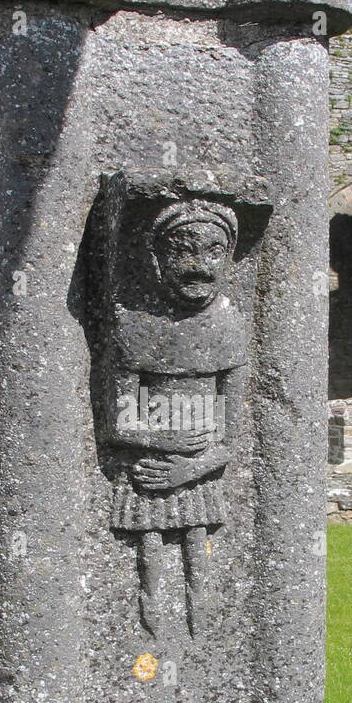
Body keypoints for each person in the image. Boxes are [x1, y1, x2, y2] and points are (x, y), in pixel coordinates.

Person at [108, 198, 247, 637]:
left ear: (228, 258)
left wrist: (190, 469)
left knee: (197, 552)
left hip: (195, 472)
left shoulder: (229, 326)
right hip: (149, 469)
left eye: (212, 252)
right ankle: (154, 637)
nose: (198, 265)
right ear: (156, 259)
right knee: (148, 554)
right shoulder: (134, 326)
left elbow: (230, 436)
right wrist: (165, 444)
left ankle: (197, 638)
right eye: (182, 251)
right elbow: (118, 423)